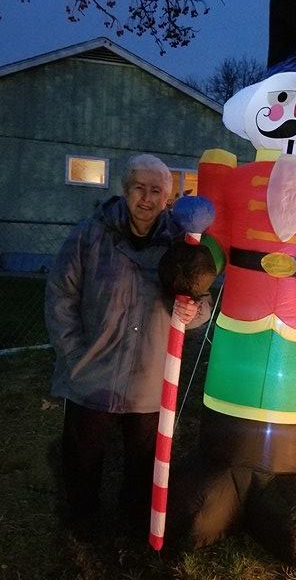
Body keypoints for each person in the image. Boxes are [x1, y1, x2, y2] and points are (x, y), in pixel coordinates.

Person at [45, 153, 210, 539]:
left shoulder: (181, 244)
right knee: (83, 455)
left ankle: (134, 523)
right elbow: (60, 297)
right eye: (139, 188)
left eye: (156, 191)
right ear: (124, 189)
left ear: (167, 198)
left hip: (148, 377)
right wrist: (74, 356)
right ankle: (83, 521)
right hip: (92, 373)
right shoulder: (90, 235)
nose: (146, 198)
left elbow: (201, 298)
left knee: (142, 461)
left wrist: (193, 312)